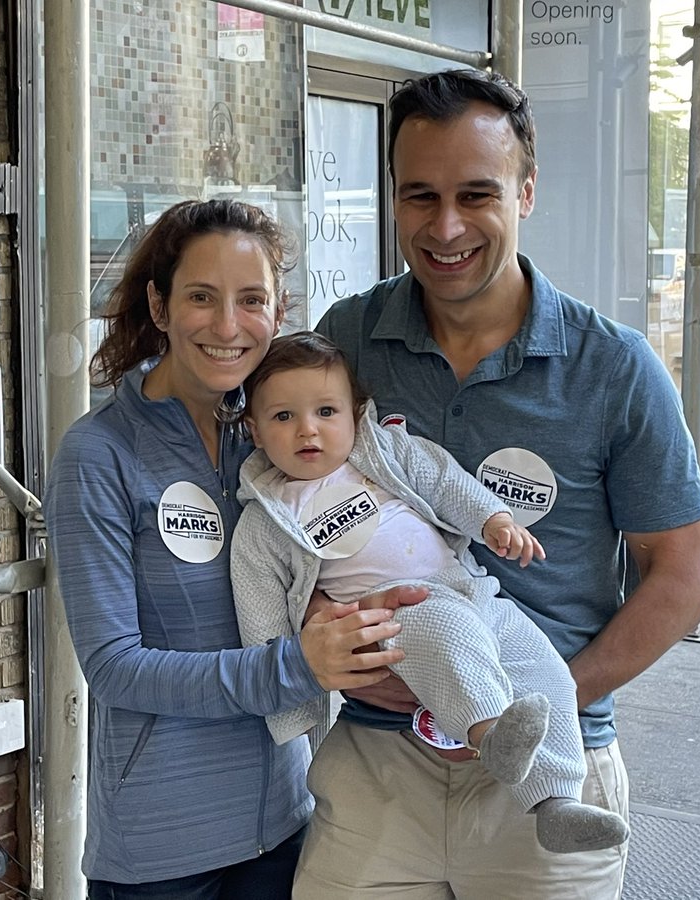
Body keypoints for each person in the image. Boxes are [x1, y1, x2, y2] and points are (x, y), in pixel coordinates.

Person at [297, 69, 700, 898]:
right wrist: (324, 629)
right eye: (420, 196)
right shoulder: (348, 339)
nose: (445, 226)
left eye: (475, 195)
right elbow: (294, 503)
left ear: (527, 191)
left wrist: (533, 705)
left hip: (552, 776)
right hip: (378, 767)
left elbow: (684, 576)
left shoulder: (614, 367)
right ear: (392, 197)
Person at [45, 199, 417, 899]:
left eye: (251, 300)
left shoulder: (278, 440)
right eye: (201, 298)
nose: (226, 326)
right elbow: (114, 668)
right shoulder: (98, 455)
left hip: (286, 823)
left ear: (278, 314)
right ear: (158, 306)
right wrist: (294, 666)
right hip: (161, 852)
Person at [230, 331, 630, 856]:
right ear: (253, 430)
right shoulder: (266, 520)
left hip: (472, 590)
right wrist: (293, 697)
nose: (308, 429)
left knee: (543, 667)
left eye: (326, 411)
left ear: (357, 415)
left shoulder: (389, 456)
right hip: (398, 612)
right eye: (283, 417)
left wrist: (493, 519)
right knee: (448, 633)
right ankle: (490, 735)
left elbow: (444, 480)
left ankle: (555, 802)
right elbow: (259, 607)